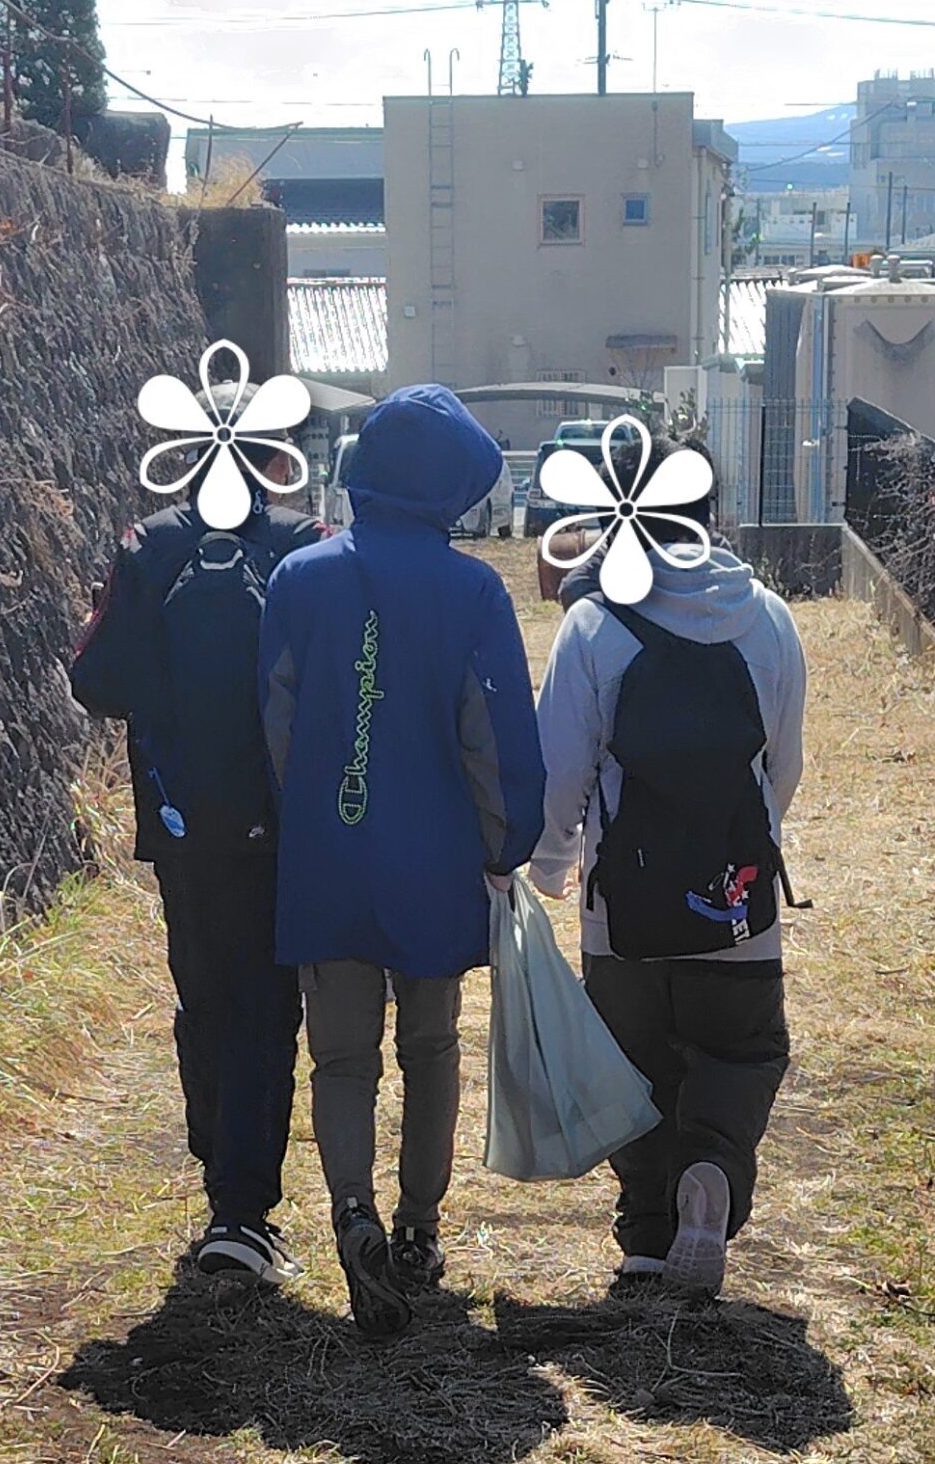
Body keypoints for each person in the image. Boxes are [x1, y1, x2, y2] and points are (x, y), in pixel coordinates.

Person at [258, 386, 546, 1336]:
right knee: (429, 1047)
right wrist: (504, 844)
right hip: (435, 861)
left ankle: (353, 1212)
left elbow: (279, 725)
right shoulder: (472, 592)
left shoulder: (298, 578)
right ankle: (419, 1231)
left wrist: (308, 814)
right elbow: (493, 737)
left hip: (327, 854)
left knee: (340, 1057)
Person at [529, 435, 807, 1300]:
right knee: (743, 1050)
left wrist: (552, 860)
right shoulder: (766, 617)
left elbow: (560, 768)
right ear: (709, 512)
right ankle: (712, 1169)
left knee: (631, 1064)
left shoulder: (593, 625)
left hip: (623, 907)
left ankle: (647, 1234)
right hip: (735, 900)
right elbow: (783, 765)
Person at [70, 448, 324, 1289]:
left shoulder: (146, 544)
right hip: (276, 819)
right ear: (273, 460)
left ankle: (219, 1168)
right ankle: (240, 1213)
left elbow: (96, 681)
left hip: (177, 817)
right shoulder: (302, 543)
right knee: (264, 1008)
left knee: (204, 994)